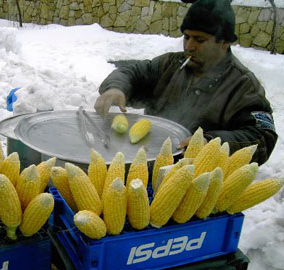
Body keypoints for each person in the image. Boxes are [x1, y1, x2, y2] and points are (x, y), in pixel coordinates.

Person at [94, 0, 277, 165]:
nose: (189, 46)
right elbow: (133, 71)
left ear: (224, 42)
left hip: (198, 177)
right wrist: (116, 88)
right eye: (187, 37)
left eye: (199, 40)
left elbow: (262, 137)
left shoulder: (243, 85)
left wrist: (211, 141)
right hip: (149, 161)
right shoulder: (171, 65)